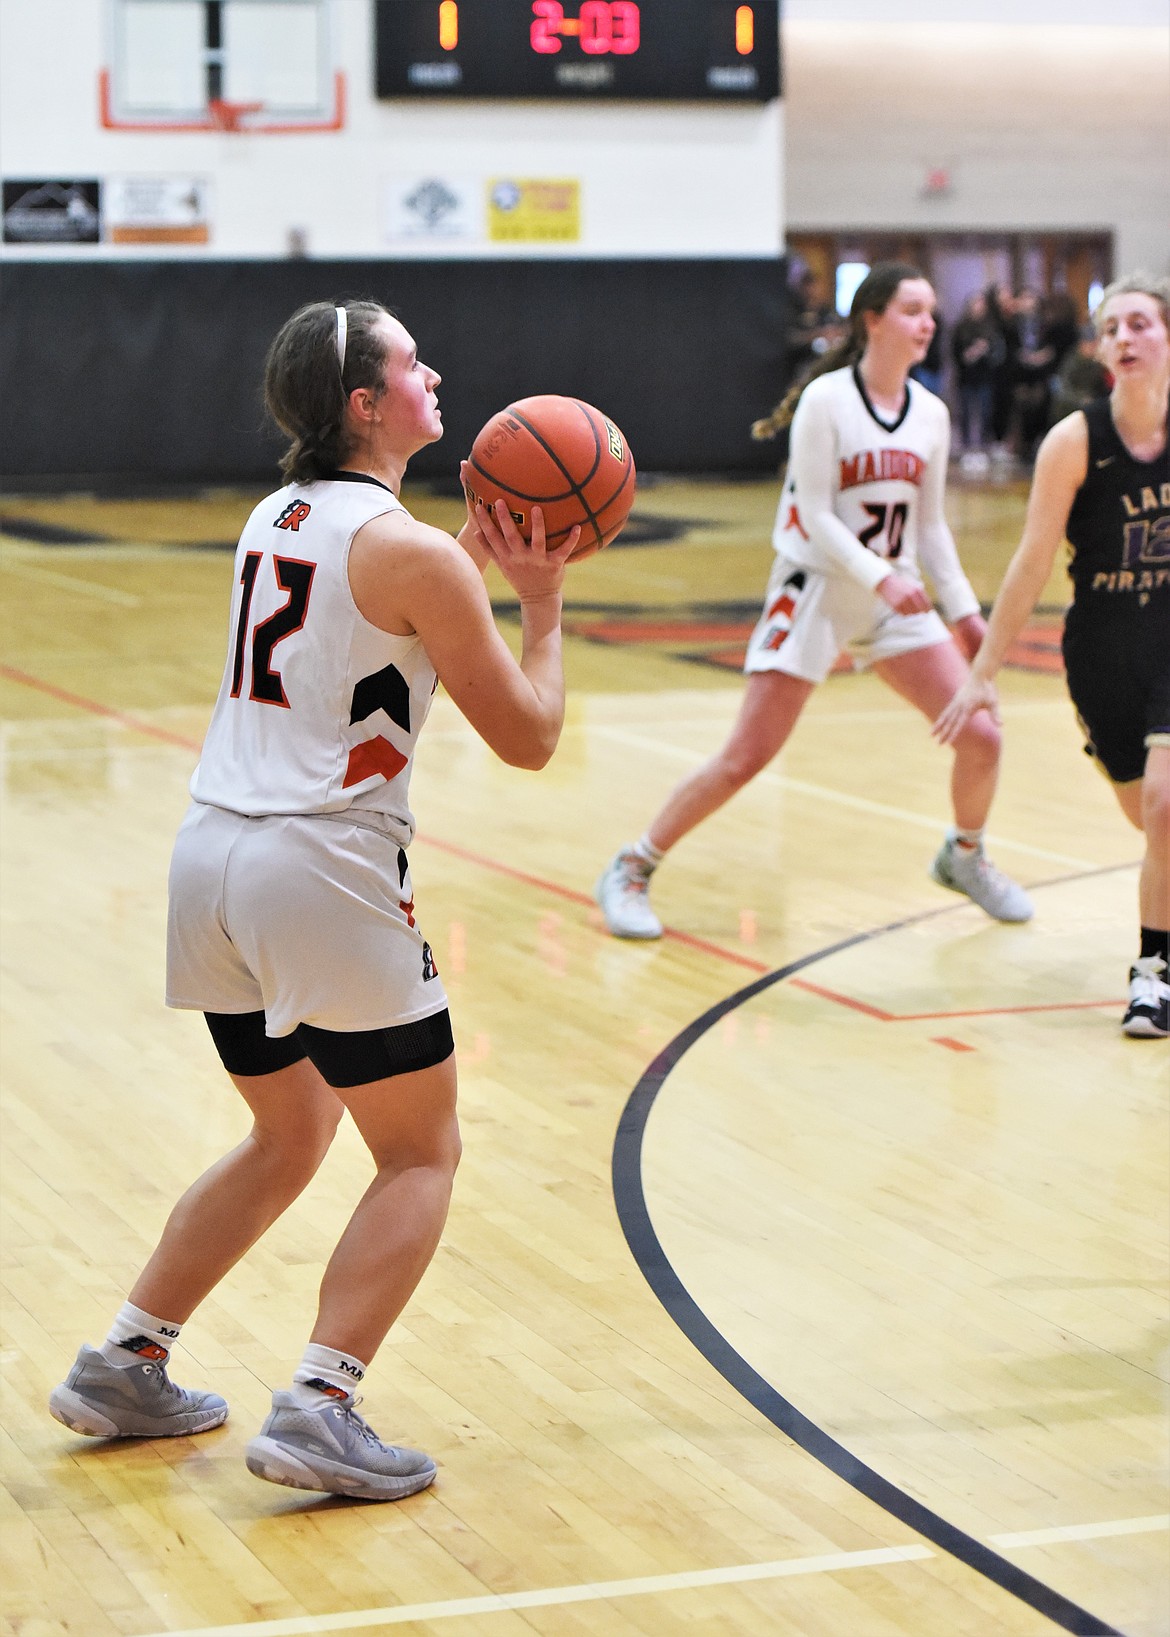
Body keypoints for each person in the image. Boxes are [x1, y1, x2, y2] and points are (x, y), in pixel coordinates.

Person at [49, 298, 580, 1495]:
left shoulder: (275, 513)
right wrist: (541, 604)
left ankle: (128, 1360)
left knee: (290, 1130)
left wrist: (462, 563)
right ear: (363, 402)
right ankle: (322, 1402)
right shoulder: (414, 553)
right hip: (320, 872)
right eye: (408, 360)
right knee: (422, 1151)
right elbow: (531, 737)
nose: (432, 370)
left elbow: (368, 593)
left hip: (211, 860)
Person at [596, 262, 1033, 940]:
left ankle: (965, 854)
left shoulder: (933, 414)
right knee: (746, 755)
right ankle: (632, 864)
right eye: (914, 309)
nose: (929, 323)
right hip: (818, 590)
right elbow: (815, 515)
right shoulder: (827, 400)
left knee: (981, 733)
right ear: (874, 319)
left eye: (931, 311)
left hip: (892, 598)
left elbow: (931, 527)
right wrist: (880, 574)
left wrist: (965, 613)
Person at [934, 275, 1170, 1038]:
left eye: (1140, 323)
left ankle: (1152, 975)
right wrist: (981, 672)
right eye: (1112, 328)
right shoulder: (1074, 442)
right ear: (1100, 348)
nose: (1125, 338)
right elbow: (1032, 565)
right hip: (1102, 648)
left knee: (1167, 807)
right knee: (1150, 816)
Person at [951, 290, 1006, 472]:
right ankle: (967, 449)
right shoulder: (961, 328)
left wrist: (985, 352)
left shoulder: (990, 327)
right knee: (966, 414)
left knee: (985, 413)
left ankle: (983, 448)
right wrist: (972, 352)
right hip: (967, 378)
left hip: (985, 378)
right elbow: (956, 355)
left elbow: (997, 354)